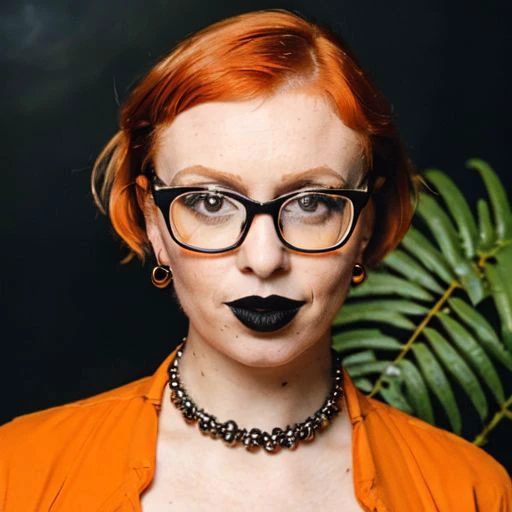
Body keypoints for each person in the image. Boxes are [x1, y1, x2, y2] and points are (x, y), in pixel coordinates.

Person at [0, 8, 510, 512]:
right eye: (211, 202)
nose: (264, 259)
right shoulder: (20, 471)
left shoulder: (470, 492)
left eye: (312, 203)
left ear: (365, 224)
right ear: (154, 223)